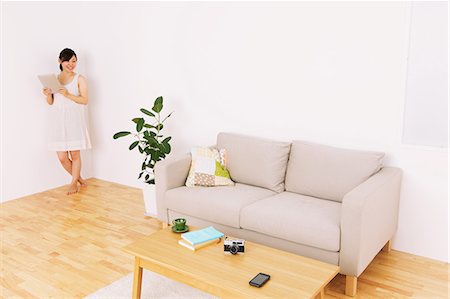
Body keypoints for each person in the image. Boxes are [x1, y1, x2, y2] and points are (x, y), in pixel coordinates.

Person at [42, 48, 91, 195]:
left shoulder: (80, 79)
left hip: (73, 121)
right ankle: (79, 178)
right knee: (62, 157)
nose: (71, 64)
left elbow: (85, 100)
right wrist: (47, 95)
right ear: (60, 61)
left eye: (74, 61)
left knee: (75, 155)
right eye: (67, 61)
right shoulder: (54, 80)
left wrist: (68, 94)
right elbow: (51, 103)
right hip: (58, 122)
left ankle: (73, 183)